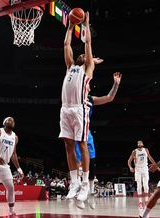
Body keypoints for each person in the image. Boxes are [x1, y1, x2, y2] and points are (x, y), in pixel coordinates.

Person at [59, 11, 95, 203]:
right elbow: (66, 45)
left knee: (82, 144)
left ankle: (85, 184)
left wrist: (86, 24)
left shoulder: (88, 68)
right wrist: (71, 27)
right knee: (68, 145)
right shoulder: (70, 66)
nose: (81, 54)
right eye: (79, 54)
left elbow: (88, 44)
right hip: (65, 108)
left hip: (80, 108)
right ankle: (73, 182)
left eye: (84, 55)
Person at [74, 72, 122, 195]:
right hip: (76, 130)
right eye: (87, 83)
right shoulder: (76, 96)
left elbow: (109, 97)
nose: (88, 85)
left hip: (87, 131)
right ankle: (77, 186)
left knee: (92, 161)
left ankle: (90, 190)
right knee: (79, 161)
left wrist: (116, 85)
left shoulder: (91, 99)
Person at [127, 140, 158, 212]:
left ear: (143, 144)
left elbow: (150, 157)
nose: (139, 143)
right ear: (137, 145)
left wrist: (155, 165)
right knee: (139, 186)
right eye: (138, 143)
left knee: (146, 186)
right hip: (137, 169)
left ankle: (146, 201)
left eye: (140, 142)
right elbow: (129, 160)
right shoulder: (134, 151)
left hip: (145, 168)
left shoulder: (146, 150)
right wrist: (130, 167)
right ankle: (140, 202)